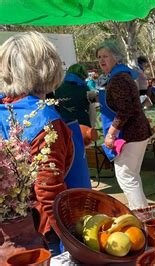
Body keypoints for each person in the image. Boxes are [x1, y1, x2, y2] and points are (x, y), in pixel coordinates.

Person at [0, 32, 84, 255]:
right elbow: (48, 192)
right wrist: (77, 244)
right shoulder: (44, 119)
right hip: (38, 234)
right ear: (48, 67)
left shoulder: (5, 107)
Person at [96, 40, 151, 210]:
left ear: (116, 57)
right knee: (131, 175)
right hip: (136, 132)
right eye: (99, 57)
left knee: (126, 176)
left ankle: (141, 217)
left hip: (130, 134)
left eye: (105, 56)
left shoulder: (118, 78)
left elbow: (125, 109)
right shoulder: (121, 75)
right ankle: (145, 214)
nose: (101, 60)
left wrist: (111, 132)